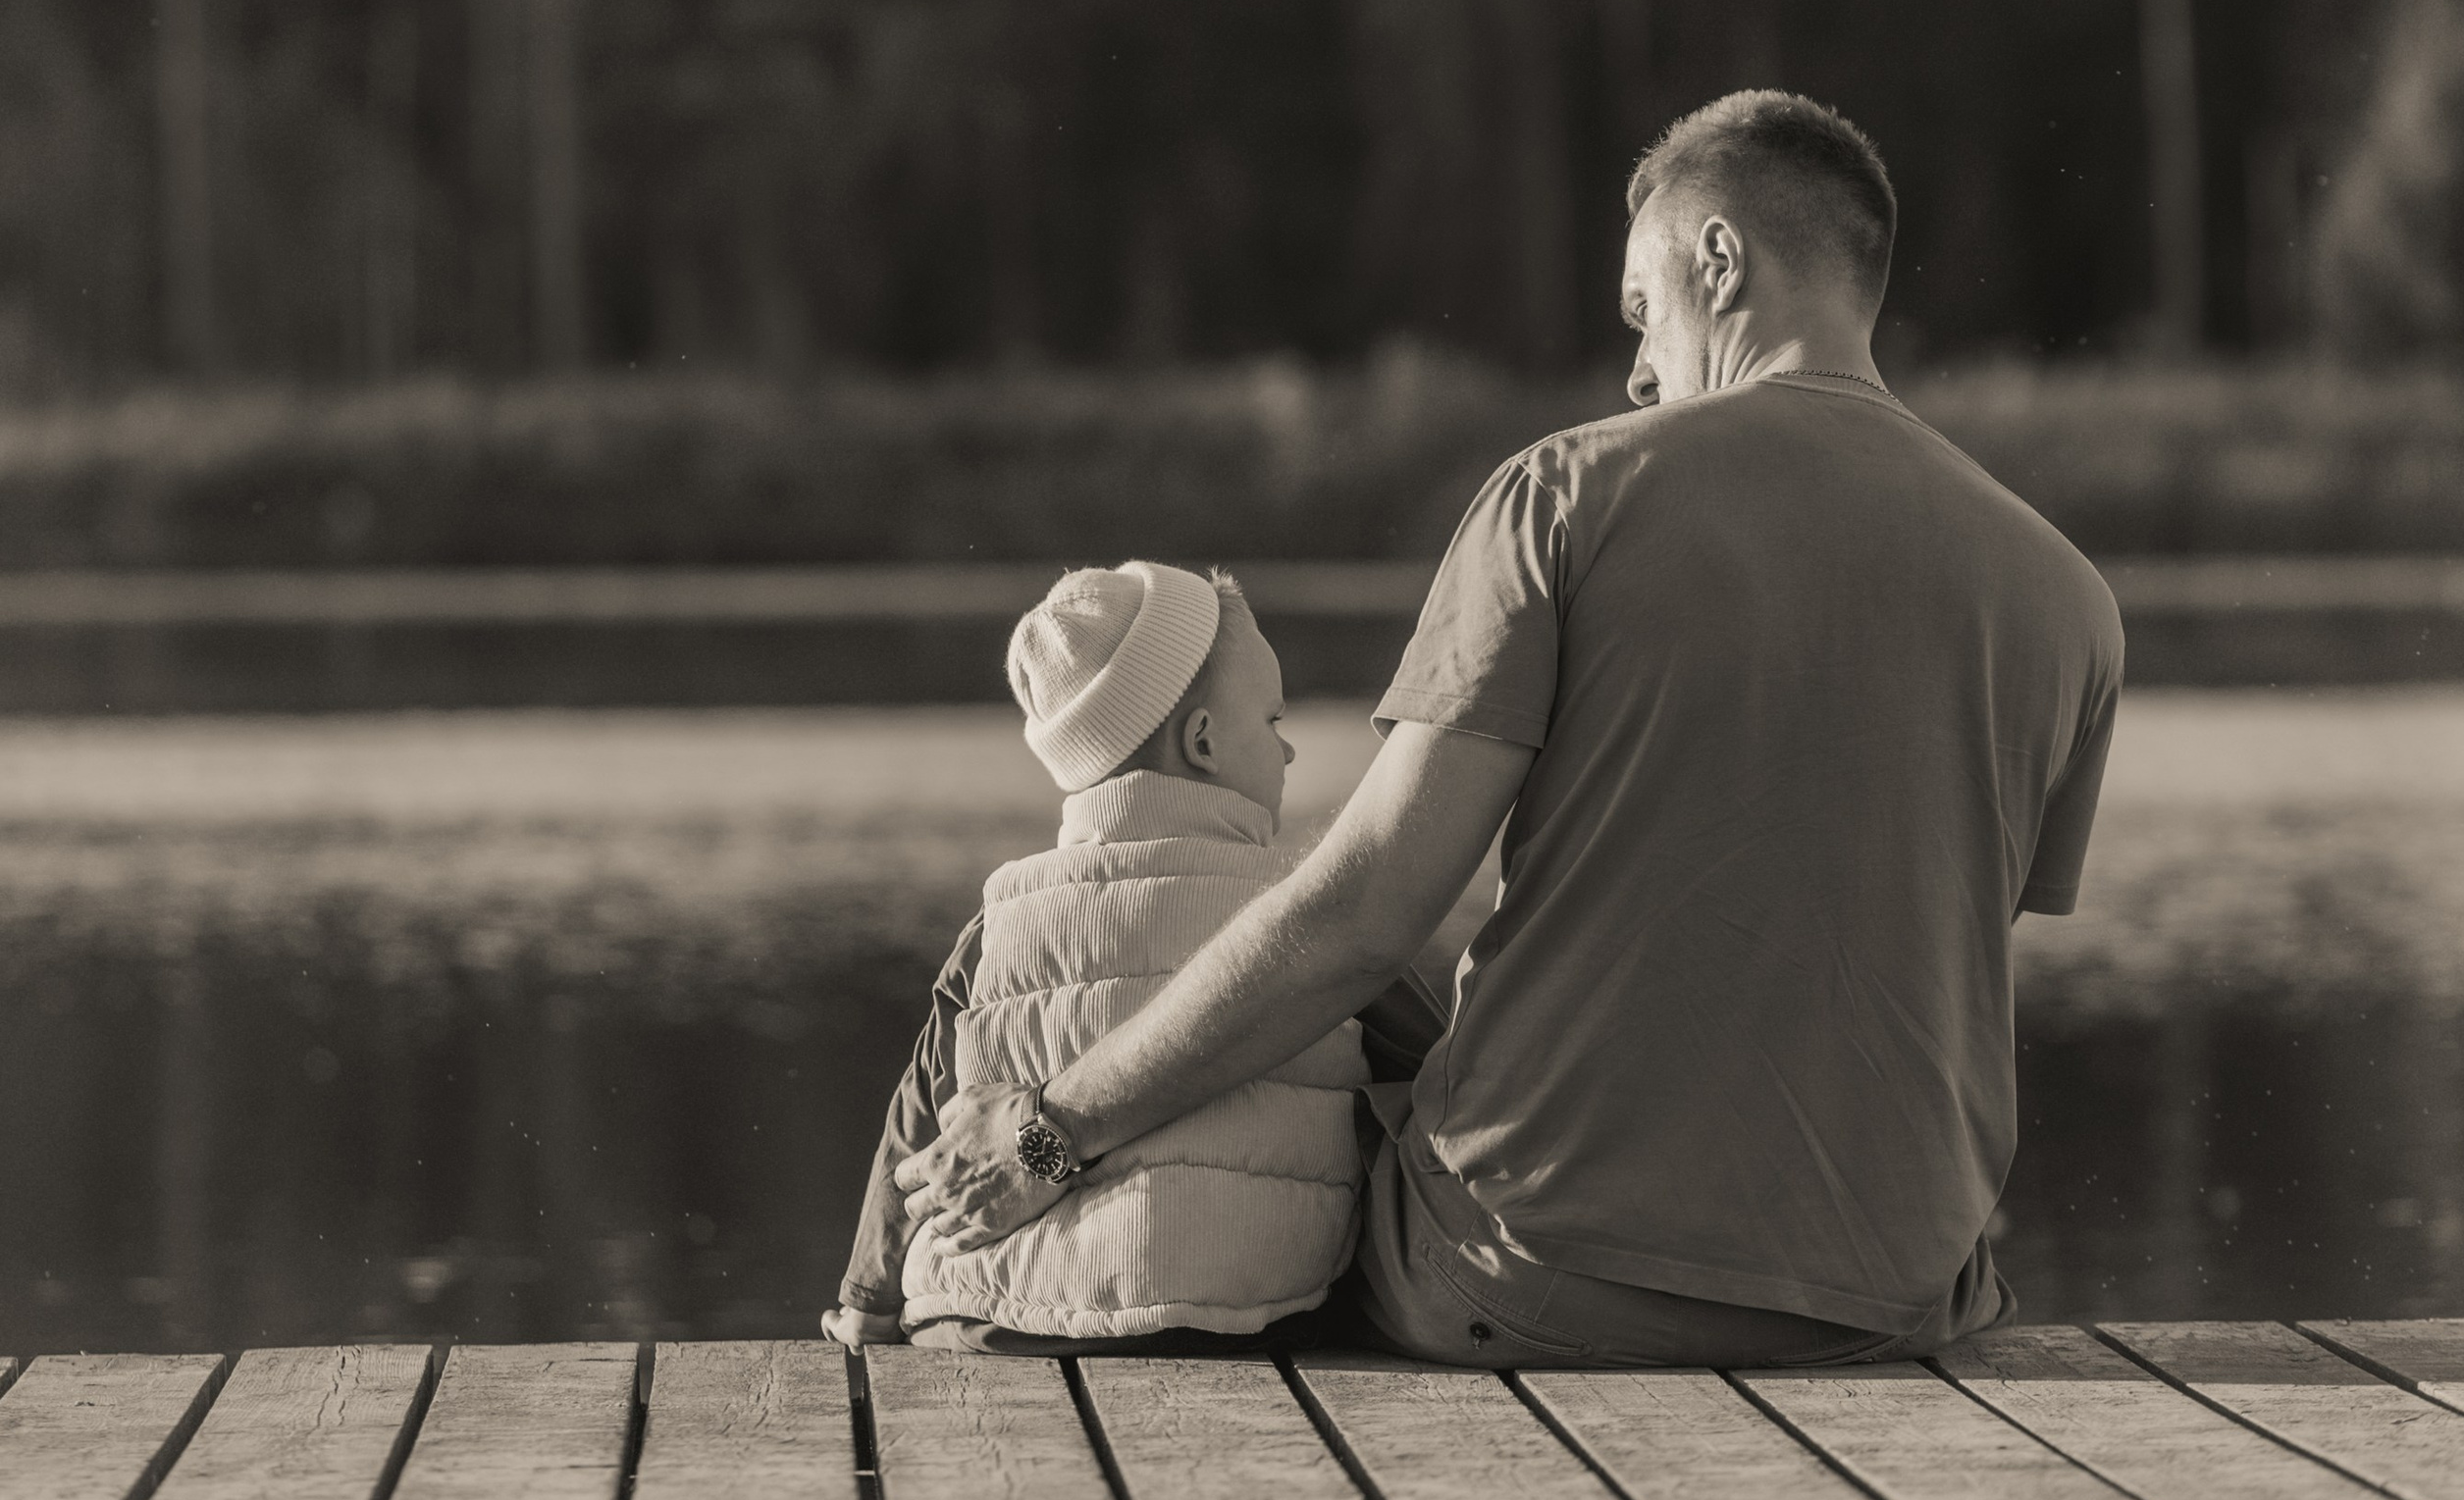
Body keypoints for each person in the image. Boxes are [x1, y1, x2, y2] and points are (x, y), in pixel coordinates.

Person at [898, 88, 2126, 1367]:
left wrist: (1053, 1126)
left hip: (1532, 1273)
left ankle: (908, 1289)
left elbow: (1362, 918)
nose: (1640, 370)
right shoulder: (2068, 598)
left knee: (1213, 1028)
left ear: (1721, 258)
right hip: (1900, 1298)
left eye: (1644, 313)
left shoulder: (1568, 499)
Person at [828, 558, 1367, 1349]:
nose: (1287, 755)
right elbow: (1428, 1064)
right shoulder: (1302, 907)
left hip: (997, 1315)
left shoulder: (1003, 919)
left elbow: (915, 1115)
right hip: (1248, 1317)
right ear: (1206, 741)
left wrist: (868, 1299)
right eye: (1274, 723)